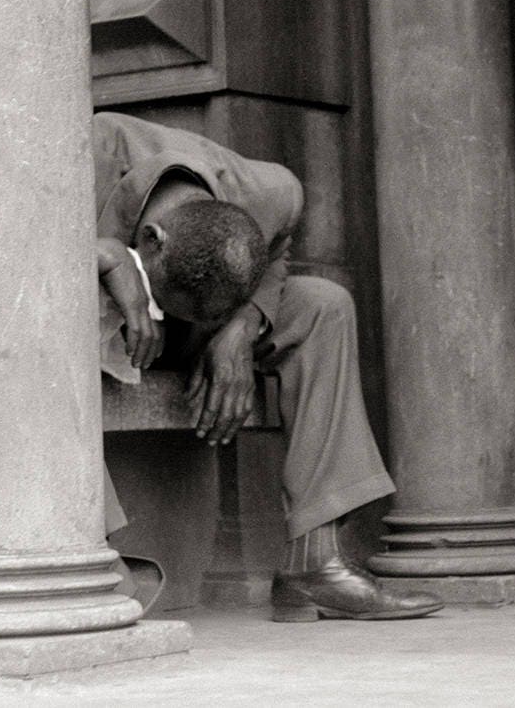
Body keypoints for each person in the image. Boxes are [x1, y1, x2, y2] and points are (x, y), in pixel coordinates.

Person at [91, 110, 441, 622]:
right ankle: (91, 563)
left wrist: (240, 327)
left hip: (204, 329)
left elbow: (277, 249)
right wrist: (99, 256)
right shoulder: (84, 153)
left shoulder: (271, 192)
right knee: (40, 322)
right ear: (150, 240)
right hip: (98, 320)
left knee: (322, 304)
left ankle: (314, 562)